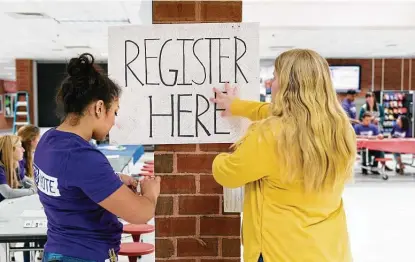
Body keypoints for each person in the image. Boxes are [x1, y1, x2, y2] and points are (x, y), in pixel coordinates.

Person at [210, 49, 356, 262]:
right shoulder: (341, 129)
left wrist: (218, 157)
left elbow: (228, 174)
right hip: (330, 250)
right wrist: (238, 106)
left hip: (277, 251)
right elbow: (283, 112)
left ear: (288, 85)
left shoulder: (272, 134)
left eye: (276, 77)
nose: (271, 82)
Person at [34, 53, 161, 262]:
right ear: (99, 107)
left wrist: (113, 180)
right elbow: (139, 214)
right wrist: (150, 193)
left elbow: (68, 185)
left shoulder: (48, 141)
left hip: (57, 251)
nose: (114, 122)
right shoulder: (82, 158)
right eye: (115, 113)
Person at [18, 124, 44, 262]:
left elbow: (25, 178)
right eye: (38, 139)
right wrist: (33, 189)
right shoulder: (20, 156)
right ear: (31, 140)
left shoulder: (27, 155)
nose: (39, 142)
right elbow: (20, 181)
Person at [0, 135, 36, 202]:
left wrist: (36, 185)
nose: (23, 150)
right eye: (20, 146)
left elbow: (24, 179)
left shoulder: (17, 162)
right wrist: (33, 191)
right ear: (10, 150)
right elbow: (8, 193)